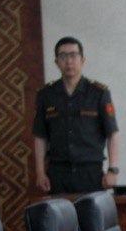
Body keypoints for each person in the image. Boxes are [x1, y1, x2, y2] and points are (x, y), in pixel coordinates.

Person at [33, 36, 120, 193]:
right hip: (58, 173)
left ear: (82, 60)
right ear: (56, 62)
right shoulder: (46, 95)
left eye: (73, 55)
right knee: (59, 210)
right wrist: (40, 172)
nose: (68, 61)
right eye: (63, 56)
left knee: (91, 210)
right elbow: (40, 136)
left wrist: (112, 170)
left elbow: (112, 133)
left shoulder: (98, 93)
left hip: (91, 173)